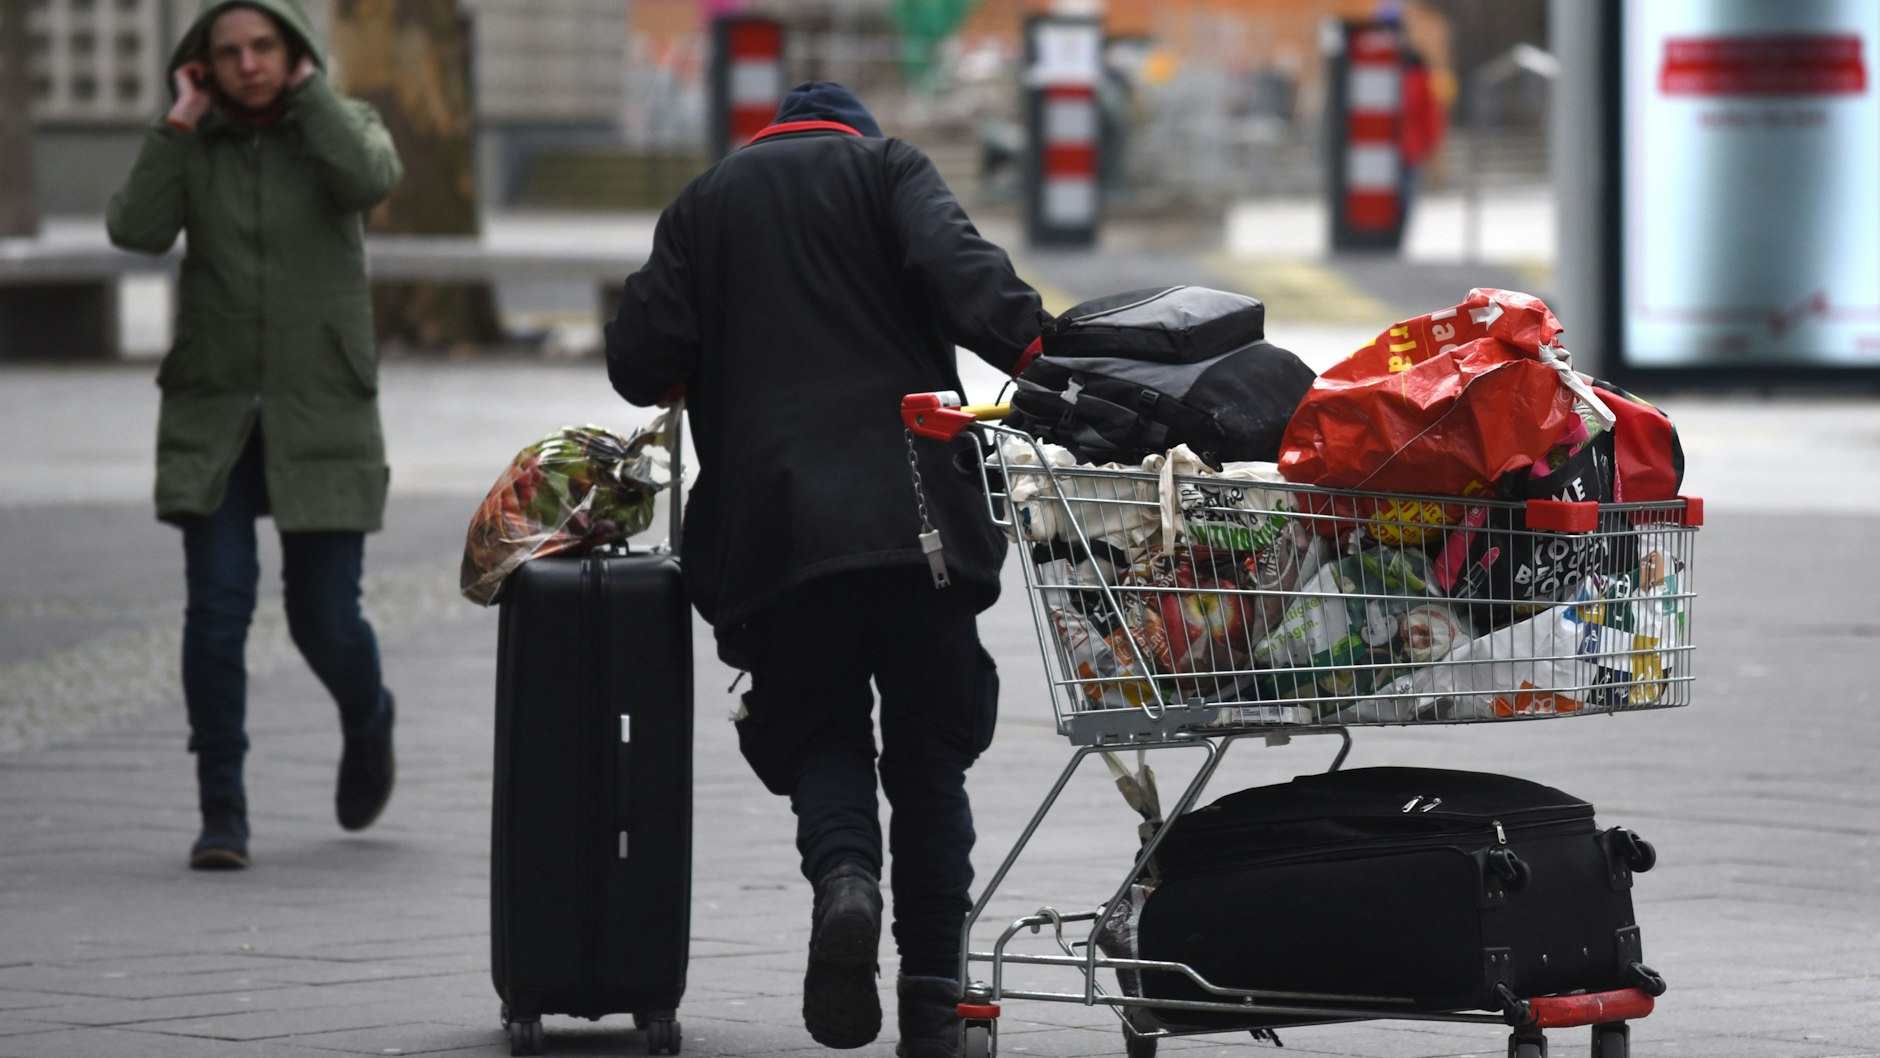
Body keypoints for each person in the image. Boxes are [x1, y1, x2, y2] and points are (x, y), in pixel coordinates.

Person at [605, 82, 1046, 1058]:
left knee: (815, 728)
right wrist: (1053, 358)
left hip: (777, 531)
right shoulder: (887, 167)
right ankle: (933, 996)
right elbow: (962, 274)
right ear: (852, 128)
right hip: (915, 519)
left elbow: (640, 361)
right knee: (931, 758)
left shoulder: (704, 201)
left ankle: (846, 874)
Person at [106, 0, 403, 871]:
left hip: (323, 405)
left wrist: (315, 100)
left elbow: (371, 178)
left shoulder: (341, 127)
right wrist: (177, 121)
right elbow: (135, 228)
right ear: (201, 65)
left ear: (295, 51)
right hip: (216, 413)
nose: (247, 64)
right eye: (227, 52)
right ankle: (222, 808)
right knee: (217, 611)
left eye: (264, 46)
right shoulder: (191, 144)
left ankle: (368, 713)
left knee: (324, 619)